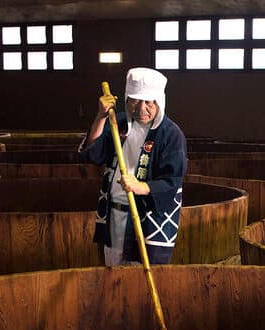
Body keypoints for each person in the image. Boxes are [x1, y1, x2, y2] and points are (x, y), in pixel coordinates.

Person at [80, 67, 187, 265]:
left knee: (139, 275)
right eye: (136, 100)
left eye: (148, 101)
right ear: (127, 99)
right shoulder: (116, 122)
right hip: (113, 213)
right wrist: (101, 117)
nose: (141, 108)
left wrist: (141, 187)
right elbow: (93, 154)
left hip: (146, 217)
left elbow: (172, 181)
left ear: (159, 101)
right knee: (111, 269)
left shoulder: (171, 134)